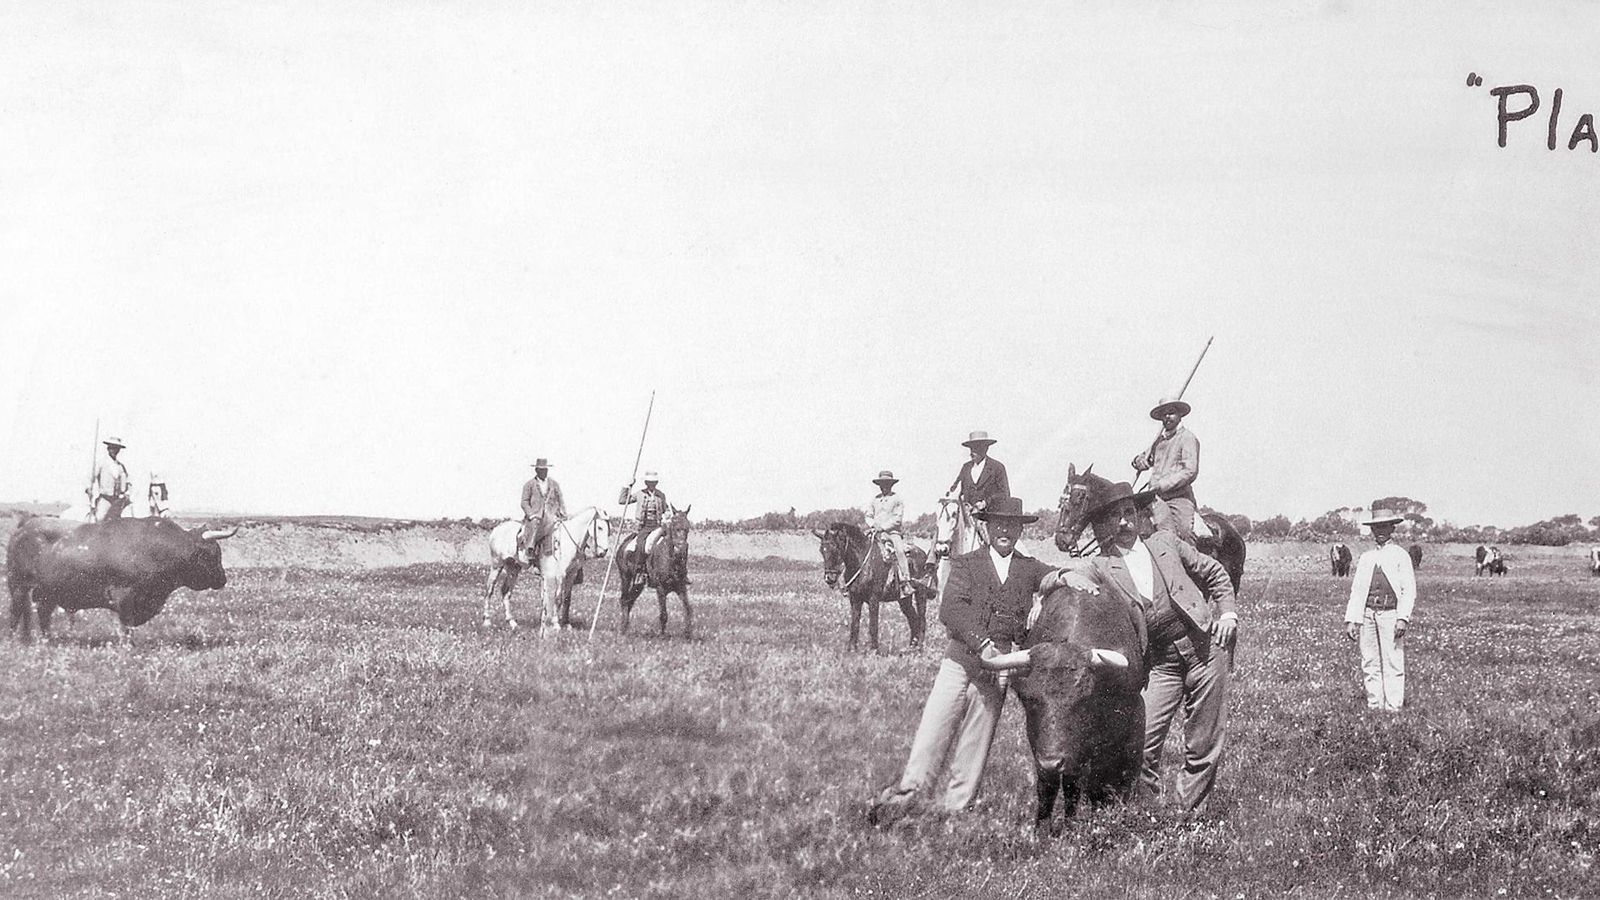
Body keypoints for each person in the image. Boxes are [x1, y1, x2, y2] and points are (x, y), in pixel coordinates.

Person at [869, 497, 1076, 824]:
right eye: (998, 524)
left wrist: (1067, 575)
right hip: (960, 660)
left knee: (975, 743)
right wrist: (982, 644)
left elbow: (1051, 576)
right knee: (933, 730)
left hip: (997, 671)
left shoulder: (1028, 567)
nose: (1005, 530)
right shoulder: (967, 563)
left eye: (1012, 524)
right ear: (986, 526)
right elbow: (951, 609)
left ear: (1020, 528)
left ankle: (955, 811)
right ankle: (907, 799)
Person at [1073, 479, 1238, 815]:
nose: (1123, 522)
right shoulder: (1101, 566)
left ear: (1139, 515)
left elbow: (1216, 573)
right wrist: (1062, 580)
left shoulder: (1165, 542)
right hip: (1160, 662)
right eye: (1115, 516)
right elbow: (1056, 575)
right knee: (1141, 742)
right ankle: (1147, 809)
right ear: (1104, 523)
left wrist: (1229, 615)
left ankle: (1186, 812)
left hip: (1205, 648)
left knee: (1203, 742)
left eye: (1128, 512)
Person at [1343, 507, 1416, 712]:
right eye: (1376, 527)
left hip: (1390, 614)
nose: (1380, 531)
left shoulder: (1400, 555)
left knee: (1392, 660)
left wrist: (1403, 618)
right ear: (1372, 530)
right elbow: (1357, 591)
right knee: (1369, 660)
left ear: (1392, 527)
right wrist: (1352, 620)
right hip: (1367, 614)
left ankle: (1393, 707)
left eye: (1384, 526)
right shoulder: (1366, 557)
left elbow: (1409, 590)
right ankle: (1374, 705)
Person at [1131, 397, 1203, 545]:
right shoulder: (1159, 442)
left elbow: (1190, 471)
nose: (1167, 417)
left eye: (1171, 413)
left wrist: (1162, 484)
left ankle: (1191, 566)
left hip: (1178, 498)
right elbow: (1144, 460)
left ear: (1179, 415)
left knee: (1184, 532)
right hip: (1155, 498)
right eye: (1164, 414)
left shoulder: (1187, 438)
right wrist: (1139, 461)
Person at [862, 470, 915, 601]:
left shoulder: (896, 499)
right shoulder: (875, 499)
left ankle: (905, 581)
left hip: (892, 532)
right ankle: (853, 581)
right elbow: (868, 515)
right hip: (876, 532)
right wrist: (873, 525)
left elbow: (897, 518)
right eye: (881, 484)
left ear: (891, 484)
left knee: (900, 551)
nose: (884, 486)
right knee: (859, 548)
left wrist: (883, 527)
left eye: (886, 483)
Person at [618, 471, 670, 587]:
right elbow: (622, 501)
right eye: (649, 482)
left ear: (656, 482)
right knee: (641, 545)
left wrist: (667, 514)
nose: (651, 484)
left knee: (672, 544)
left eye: (653, 482)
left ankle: (677, 572)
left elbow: (666, 509)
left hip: (657, 526)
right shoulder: (639, 494)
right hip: (644, 527)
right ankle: (640, 572)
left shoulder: (661, 495)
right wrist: (627, 486)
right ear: (646, 482)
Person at [519, 457, 566, 558]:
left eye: (545, 470)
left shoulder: (554, 484)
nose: (544, 472)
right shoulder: (529, 485)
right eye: (541, 470)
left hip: (552, 514)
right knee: (535, 523)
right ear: (536, 470)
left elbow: (560, 500)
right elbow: (524, 502)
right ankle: (530, 550)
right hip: (536, 515)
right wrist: (531, 514)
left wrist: (563, 513)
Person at [89, 435, 131, 521]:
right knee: (100, 519)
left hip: (118, 500)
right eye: (112, 448)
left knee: (120, 523)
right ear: (108, 448)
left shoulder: (121, 466)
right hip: (105, 499)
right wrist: (89, 489)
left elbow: (127, 482)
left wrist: (126, 493)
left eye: (116, 448)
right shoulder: (101, 463)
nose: (114, 451)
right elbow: (91, 477)